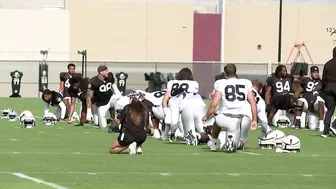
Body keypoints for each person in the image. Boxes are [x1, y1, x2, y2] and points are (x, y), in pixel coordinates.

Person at [203, 63, 257, 152]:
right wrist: (254, 119)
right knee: (241, 142)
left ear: (225, 73)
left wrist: (206, 116)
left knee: (217, 119)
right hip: (242, 118)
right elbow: (253, 103)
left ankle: (214, 142)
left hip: (225, 117)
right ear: (236, 72)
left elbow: (214, 104)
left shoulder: (221, 83)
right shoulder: (246, 82)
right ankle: (233, 143)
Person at [161, 68, 200, 141]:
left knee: (171, 120)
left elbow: (165, 99)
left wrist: (165, 111)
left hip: (173, 102)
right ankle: (185, 134)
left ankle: (169, 134)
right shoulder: (194, 83)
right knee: (183, 123)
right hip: (186, 104)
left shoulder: (171, 82)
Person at [293, 66, 324, 130]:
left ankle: (321, 124)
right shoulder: (305, 80)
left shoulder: (321, 82)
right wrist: (293, 100)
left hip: (315, 105)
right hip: (306, 103)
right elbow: (298, 91)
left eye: (317, 72)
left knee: (312, 127)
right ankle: (297, 122)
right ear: (311, 73)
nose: (316, 74)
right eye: (314, 72)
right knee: (300, 101)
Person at [321, 47, 336, 137]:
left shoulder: (327, 64)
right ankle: (334, 126)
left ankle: (325, 131)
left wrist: (324, 89)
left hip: (329, 87)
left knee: (330, 110)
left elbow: (324, 79)